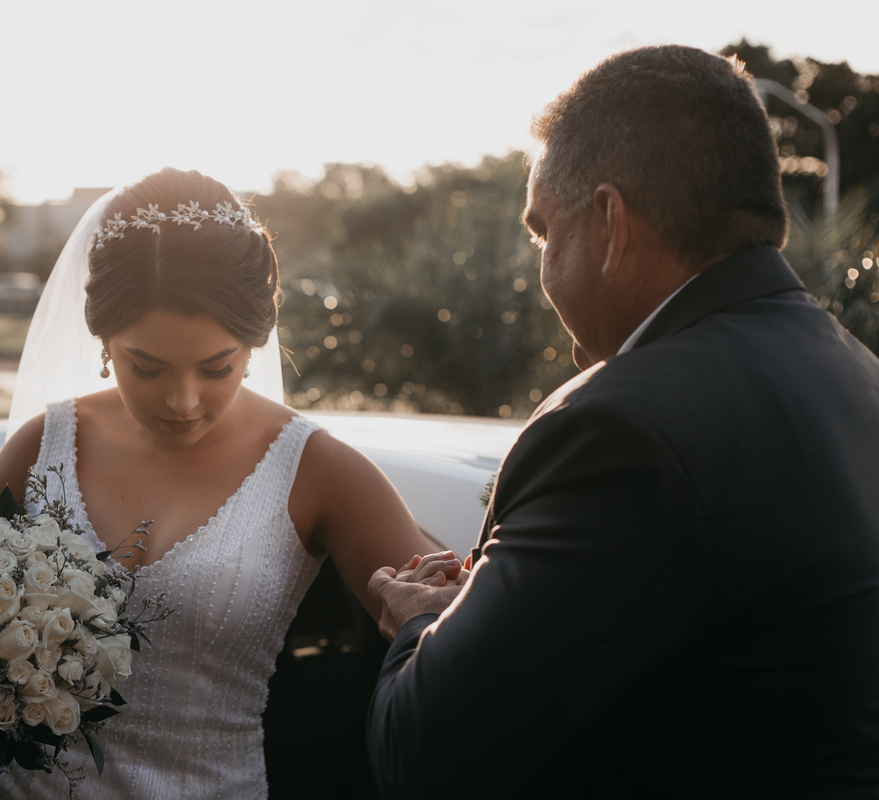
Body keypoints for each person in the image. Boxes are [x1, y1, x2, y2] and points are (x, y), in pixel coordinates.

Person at [367, 45, 879, 798]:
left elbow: (424, 759)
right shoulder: (855, 372)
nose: (541, 268)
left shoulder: (619, 429)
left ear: (610, 222)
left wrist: (419, 625)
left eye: (544, 233)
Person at [0, 167, 461, 798]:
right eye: (145, 367)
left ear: (254, 344)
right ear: (103, 339)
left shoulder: (317, 470)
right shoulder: (38, 452)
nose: (182, 400)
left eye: (216, 367)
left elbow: (447, 649)